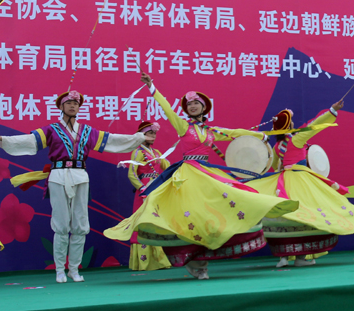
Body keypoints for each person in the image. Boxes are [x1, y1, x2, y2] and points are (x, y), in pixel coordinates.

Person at [103, 73, 300, 280]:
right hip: (188, 174)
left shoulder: (211, 131)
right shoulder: (183, 127)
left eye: (197, 103)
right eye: (190, 105)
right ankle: (195, 261)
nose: (193, 106)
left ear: (204, 108)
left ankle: (202, 259)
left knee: (219, 209)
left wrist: (260, 135)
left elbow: (234, 133)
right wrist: (152, 88)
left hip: (207, 174)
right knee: (191, 217)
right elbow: (167, 110)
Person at [0, 90, 146, 283]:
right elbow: (30, 140)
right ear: (61, 106)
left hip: (80, 176)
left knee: (80, 225)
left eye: (76, 103)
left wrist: (138, 138)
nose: (73, 105)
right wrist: (3, 139)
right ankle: (60, 269)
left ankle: (74, 269)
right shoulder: (51, 130)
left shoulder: (87, 131)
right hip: (58, 175)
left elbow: (112, 140)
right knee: (61, 224)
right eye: (69, 103)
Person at [246, 103, 354, 268]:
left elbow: (275, 166)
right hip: (301, 180)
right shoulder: (297, 139)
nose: (294, 123)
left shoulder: (278, 146)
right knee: (305, 213)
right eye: (291, 121)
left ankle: (283, 258)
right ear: (289, 125)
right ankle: (300, 258)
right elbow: (314, 126)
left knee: (284, 216)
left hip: (284, 180)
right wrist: (332, 111)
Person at [126, 120, 171, 271]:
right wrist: (142, 188)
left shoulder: (157, 153)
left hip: (156, 190)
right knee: (143, 222)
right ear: (141, 135)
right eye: (149, 133)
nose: (152, 136)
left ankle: (159, 260)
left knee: (155, 222)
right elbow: (132, 173)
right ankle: (143, 262)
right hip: (144, 192)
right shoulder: (138, 152)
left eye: (154, 133)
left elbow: (167, 167)